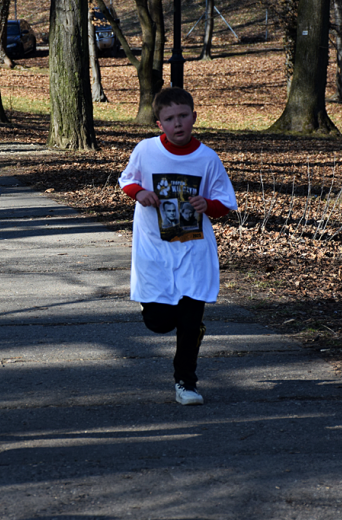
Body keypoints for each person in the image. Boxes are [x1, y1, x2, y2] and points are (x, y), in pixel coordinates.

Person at [118, 87, 237, 406]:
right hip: (154, 249)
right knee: (159, 323)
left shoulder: (207, 158)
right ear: (159, 123)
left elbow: (225, 202)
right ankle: (155, 309)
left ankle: (186, 383)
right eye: (170, 118)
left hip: (193, 250)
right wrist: (139, 193)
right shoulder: (145, 151)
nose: (178, 123)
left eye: (183, 115)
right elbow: (127, 179)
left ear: (194, 117)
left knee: (188, 320)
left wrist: (207, 204)